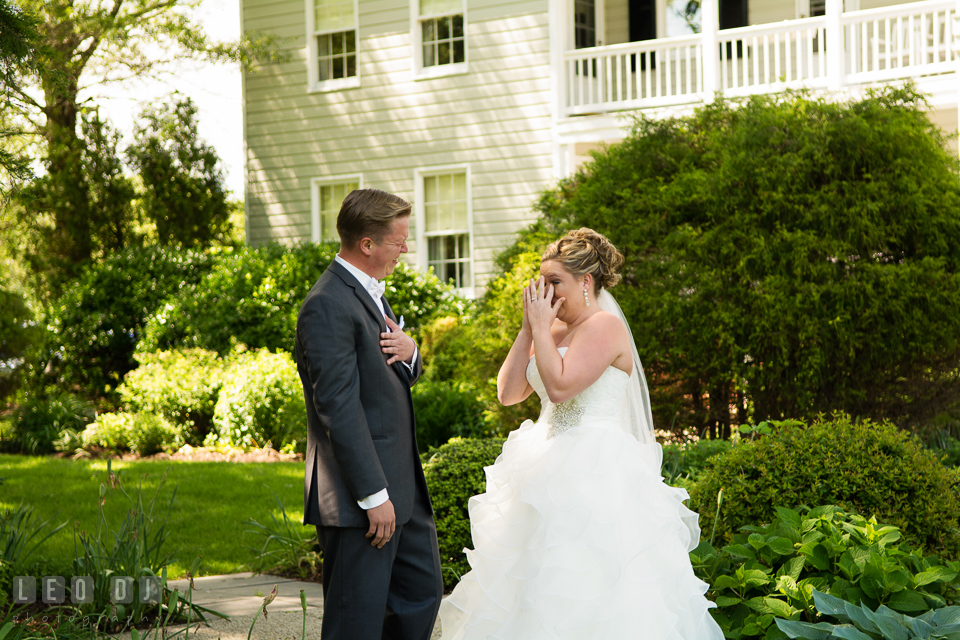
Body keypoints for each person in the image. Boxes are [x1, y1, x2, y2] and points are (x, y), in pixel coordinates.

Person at [439, 228, 724, 640]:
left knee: (588, 578)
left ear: (585, 282)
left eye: (555, 282)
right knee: (533, 578)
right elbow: (508, 392)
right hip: (543, 463)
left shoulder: (605, 327)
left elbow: (560, 386)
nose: (546, 291)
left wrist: (540, 330)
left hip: (594, 468)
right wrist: (527, 330)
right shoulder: (549, 332)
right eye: (542, 282)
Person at [295, 188, 443, 640]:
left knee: (420, 594)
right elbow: (337, 407)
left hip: (404, 487)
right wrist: (374, 496)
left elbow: (387, 379)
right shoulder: (327, 304)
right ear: (367, 245)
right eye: (399, 240)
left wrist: (412, 351)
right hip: (362, 495)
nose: (404, 248)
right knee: (355, 624)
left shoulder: (371, 294)